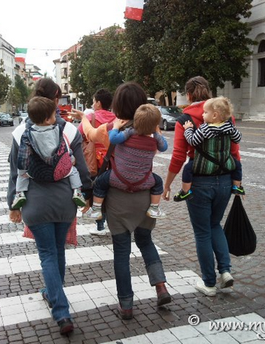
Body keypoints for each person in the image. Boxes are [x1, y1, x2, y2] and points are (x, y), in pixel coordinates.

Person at [77, 82, 172, 320]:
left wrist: (83, 118)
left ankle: (127, 304)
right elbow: (161, 145)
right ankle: (160, 286)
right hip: (145, 194)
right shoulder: (150, 128)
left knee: (121, 251)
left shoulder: (112, 127)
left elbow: (89, 134)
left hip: (118, 197)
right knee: (145, 241)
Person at [7, 78, 92, 336]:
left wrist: (13, 203)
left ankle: (60, 310)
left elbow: (14, 172)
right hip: (65, 200)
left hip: (35, 202)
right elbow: (81, 168)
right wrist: (87, 193)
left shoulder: (21, 132)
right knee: (58, 250)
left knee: (47, 254)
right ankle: (55, 295)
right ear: (56, 99)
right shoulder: (69, 131)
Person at [163, 76, 241, 296]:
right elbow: (234, 151)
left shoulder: (185, 119)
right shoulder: (226, 116)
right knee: (215, 224)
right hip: (225, 179)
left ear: (189, 95)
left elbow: (178, 156)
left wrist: (168, 184)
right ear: (208, 91)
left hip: (199, 181)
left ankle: (209, 283)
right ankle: (225, 271)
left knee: (202, 232)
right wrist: (237, 180)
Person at [83, 104, 168, 221]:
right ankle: (154, 207)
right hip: (143, 180)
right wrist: (157, 133)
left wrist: (116, 127)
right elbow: (164, 147)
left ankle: (96, 208)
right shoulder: (155, 137)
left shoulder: (130, 132)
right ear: (156, 124)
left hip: (118, 177)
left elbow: (113, 139)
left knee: (100, 181)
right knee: (158, 182)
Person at [11, 96, 86, 210]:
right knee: (73, 170)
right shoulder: (58, 130)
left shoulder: (27, 134)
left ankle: (20, 193)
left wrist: (23, 169)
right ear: (47, 119)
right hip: (60, 171)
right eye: (54, 115)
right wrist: (71, 158)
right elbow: (64, 149)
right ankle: (78, 191)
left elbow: (23, 156)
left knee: (22, 173)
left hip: (36, 173)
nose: (56, 117)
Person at [174, 96, 243, 202]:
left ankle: (185, 192)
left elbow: (193, 141)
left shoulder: (205, 128)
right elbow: (237, 139)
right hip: (225, 163)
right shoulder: (229, 126)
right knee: (237, 165)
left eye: (205, 112)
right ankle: (237, 186)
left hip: (204, 165)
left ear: (214, 115)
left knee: (188, 169)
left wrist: (188, 129)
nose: (202, 114)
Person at [77, 88, 117, 236]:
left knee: (97, 192)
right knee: (111, 192)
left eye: (94, 101)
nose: (93, 104)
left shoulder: (90, 117)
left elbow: (79, 134)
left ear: (99, 103)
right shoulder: (116, 118)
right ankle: (111, 222)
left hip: (96, 162)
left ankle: (100, 225)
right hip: (114, 160)